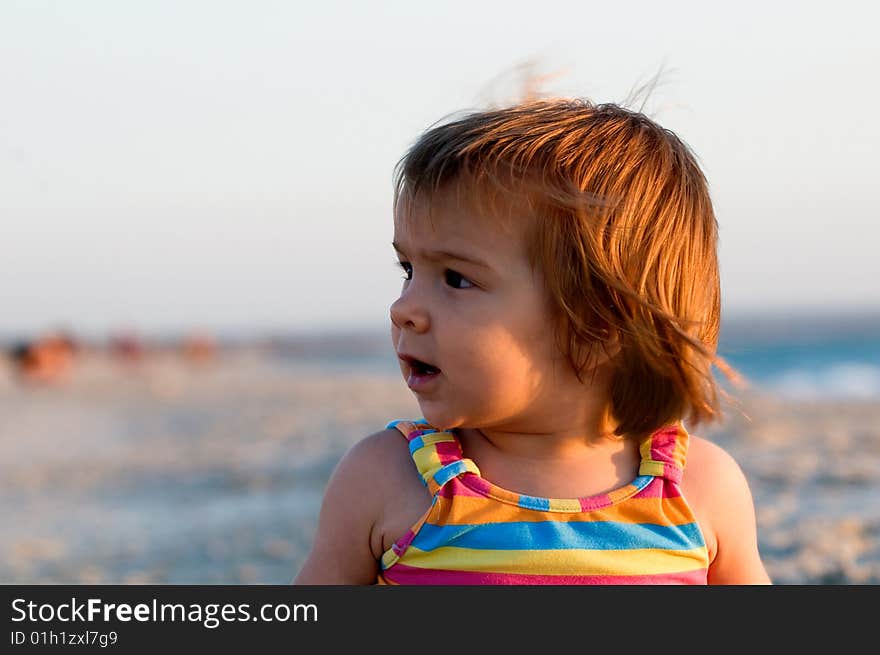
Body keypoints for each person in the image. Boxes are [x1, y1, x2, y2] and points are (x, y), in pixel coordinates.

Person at [293, 96, 772, 585]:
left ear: (598, 323)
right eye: (409, 270)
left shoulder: (700, 492)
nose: (403, 310)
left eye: (456, 278)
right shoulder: (389, 478)